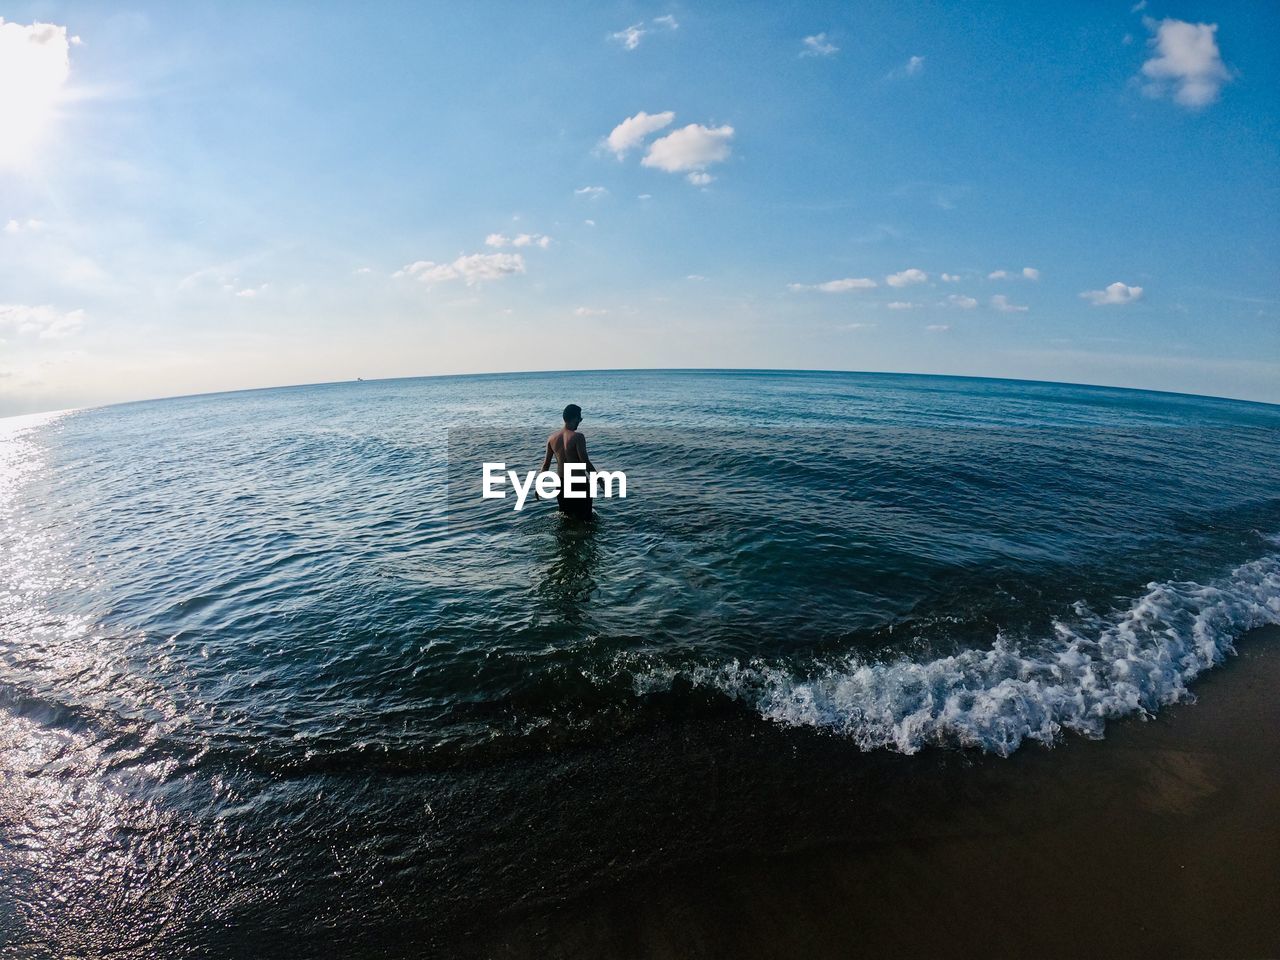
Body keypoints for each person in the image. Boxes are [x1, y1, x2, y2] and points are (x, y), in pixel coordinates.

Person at [539, 403, 594, 519]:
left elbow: (545, 465)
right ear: (575, 418)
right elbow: (585, 462)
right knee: (586, 519)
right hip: (578, 483)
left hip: (561, 484)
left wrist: (539, 486)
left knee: (566, 518)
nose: (580, 421)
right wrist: (599, 479)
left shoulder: (552, 438)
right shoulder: (578, 437)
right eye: (580, 418)